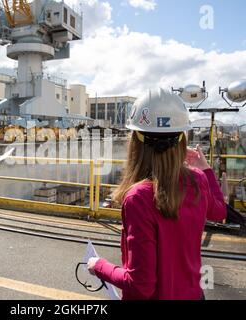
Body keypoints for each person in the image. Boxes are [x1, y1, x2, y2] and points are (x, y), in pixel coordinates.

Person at [87, 88, 226, 300]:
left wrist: (99, 266)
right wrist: (206, 169)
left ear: (136, 141)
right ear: (181, 139)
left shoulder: (139, 198)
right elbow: (219, 212)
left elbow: (141, 285)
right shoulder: (198, 180)